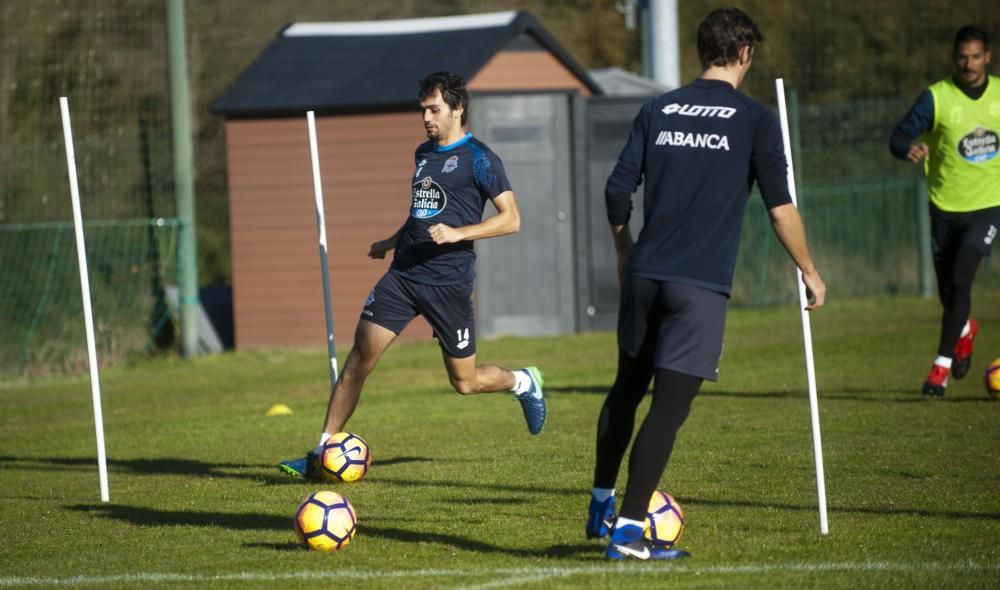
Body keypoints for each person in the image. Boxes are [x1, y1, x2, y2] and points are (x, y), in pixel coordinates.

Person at [588, 8, 826, 560]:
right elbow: (780, 208)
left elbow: (616, 190)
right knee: (667, 410)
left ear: (702, 51)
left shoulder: (657, 108)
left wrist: (626, 253)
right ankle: (626, 534)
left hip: (645, 275)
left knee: (626, 390)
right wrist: (809, 270)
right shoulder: (755, 120)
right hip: (697, 287)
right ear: (745, 53)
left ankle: (601, 502)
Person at [279, 72, 545, 479]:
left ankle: (522, 382)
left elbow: (511, 220)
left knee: (465, 382)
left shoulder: (481, 159)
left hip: (448, 285)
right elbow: (421, 212)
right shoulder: (422, 153)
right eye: (423, 109)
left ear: (457, 109)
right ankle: (321, 454)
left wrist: (460, 233)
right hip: (402, 276)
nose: (426, 117)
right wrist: (390, 241)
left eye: (434, 109)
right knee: (358, 362)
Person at [890, 25, 998, 397]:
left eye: (975, 56)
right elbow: (898, 136)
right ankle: (964, 331)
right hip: (943, 208)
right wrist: (908, 148)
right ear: (955, 58)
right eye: (962, 57)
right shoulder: (937, 98)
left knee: (964, 275)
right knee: (949, 293)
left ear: (987, 57)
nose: (969, 64)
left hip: (988, 206)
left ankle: (940, 370)